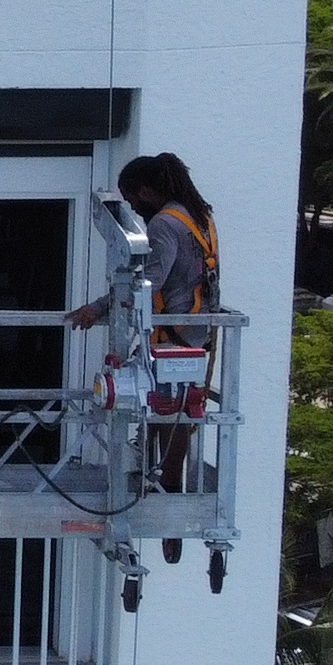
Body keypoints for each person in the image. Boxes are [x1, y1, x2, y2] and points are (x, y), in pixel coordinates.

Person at [73, 153, 218, 487]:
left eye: (132, 198)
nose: (134, 208)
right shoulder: (200, 216)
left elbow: (149, 280)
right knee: (166, 404)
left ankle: (164, 483)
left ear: (147, 190)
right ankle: (158, 477)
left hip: (174, 334)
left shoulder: (165, 223)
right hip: (193, 332)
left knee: (166, 407)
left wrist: (98, 307)